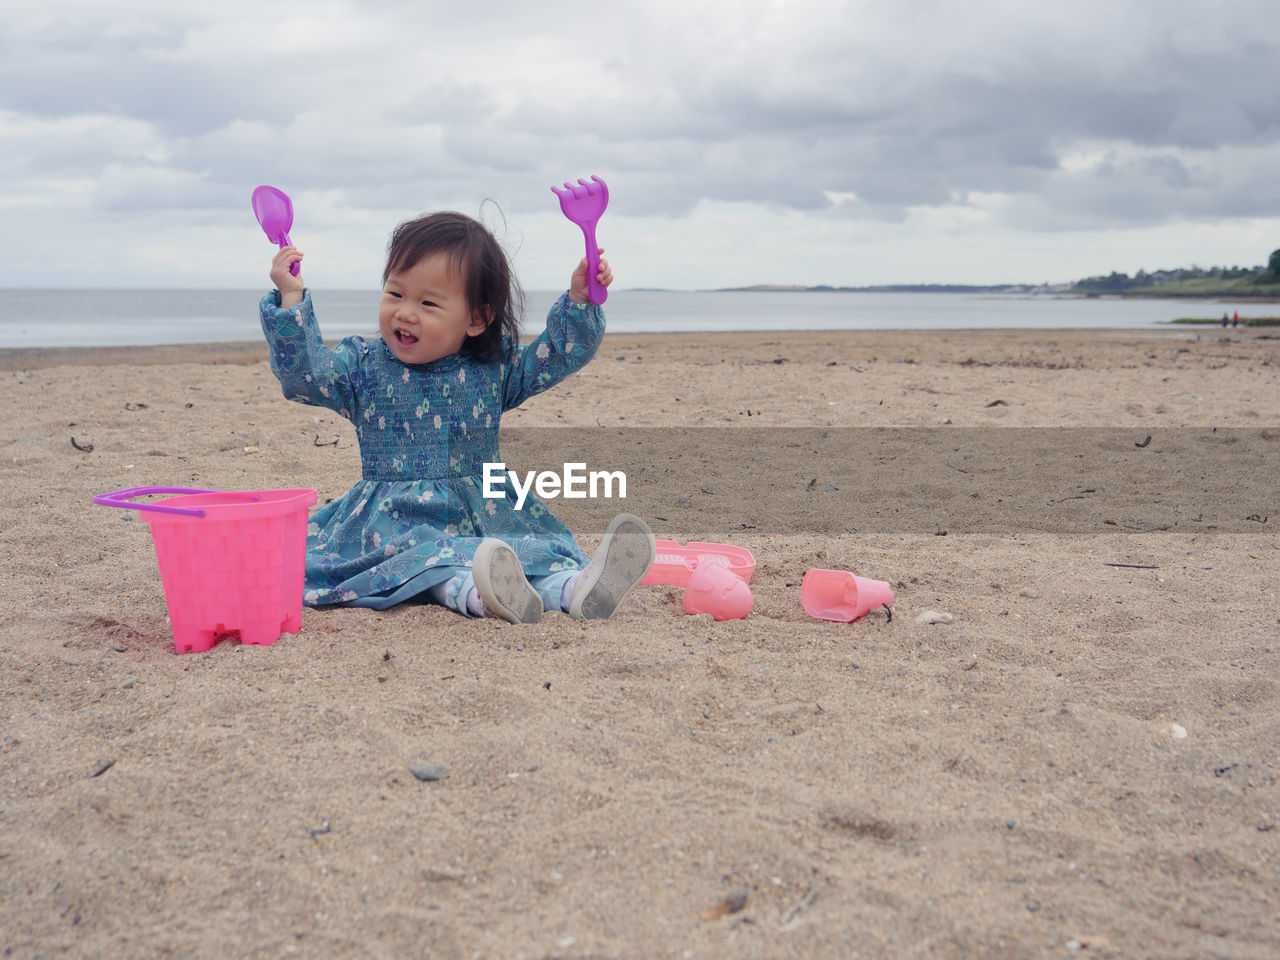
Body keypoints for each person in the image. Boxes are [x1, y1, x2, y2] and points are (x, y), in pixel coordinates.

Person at [258, 210, 655, 624]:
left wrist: (580, 301)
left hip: (488, 507)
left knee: (537, 554)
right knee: (430, 560)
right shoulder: (363, 367)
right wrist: (291, 298)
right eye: (395, 294)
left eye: (428, 303)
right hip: (399, 518)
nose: (405, 313)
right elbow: (307, 376)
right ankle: (479, 596)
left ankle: (577, 590)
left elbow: (553, 357)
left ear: (477, 319)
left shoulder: (494, 369)